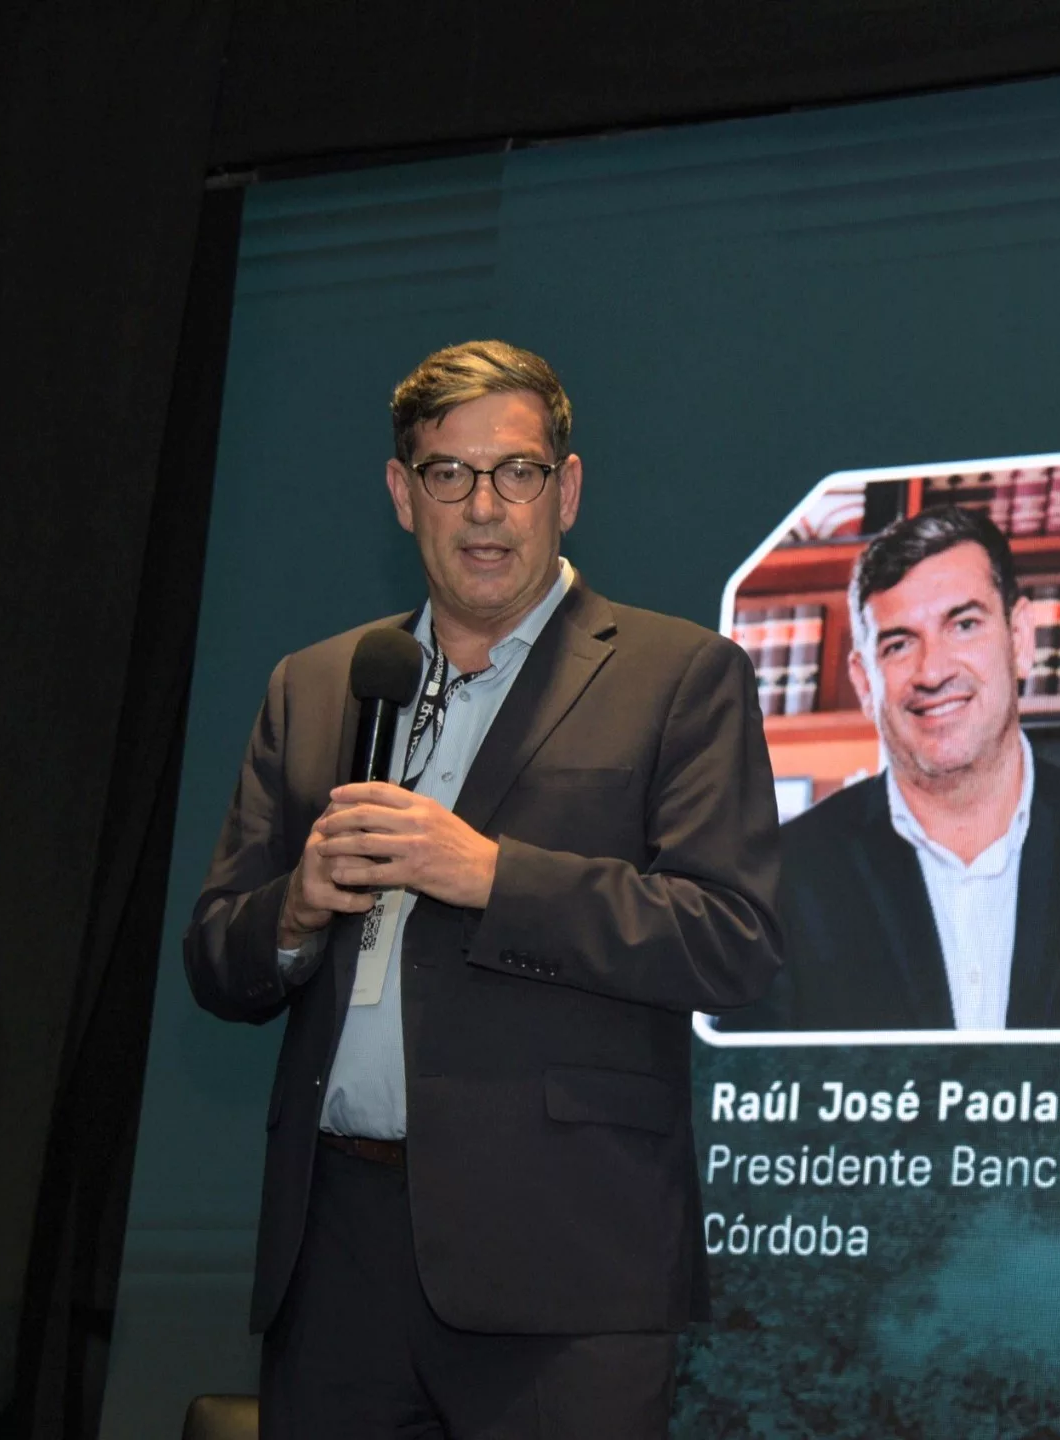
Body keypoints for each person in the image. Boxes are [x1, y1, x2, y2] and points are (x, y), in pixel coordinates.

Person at [183, 340, 781, 1439]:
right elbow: (219, 955)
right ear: (401, 493)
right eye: (449, 474)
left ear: (568, 488)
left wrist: (493, 877)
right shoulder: (317, 684)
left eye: (517, 472)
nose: (485, 508)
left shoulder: (678, 675)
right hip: (336, 1252)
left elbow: (728, 937)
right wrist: (296, 910)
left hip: (564, 1263)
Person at [729, 505, 1060, 1034]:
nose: (933, 671)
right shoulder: (779, 880)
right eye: (899, 644)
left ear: (1021, 640)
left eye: (964, 625)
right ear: (865, 681)